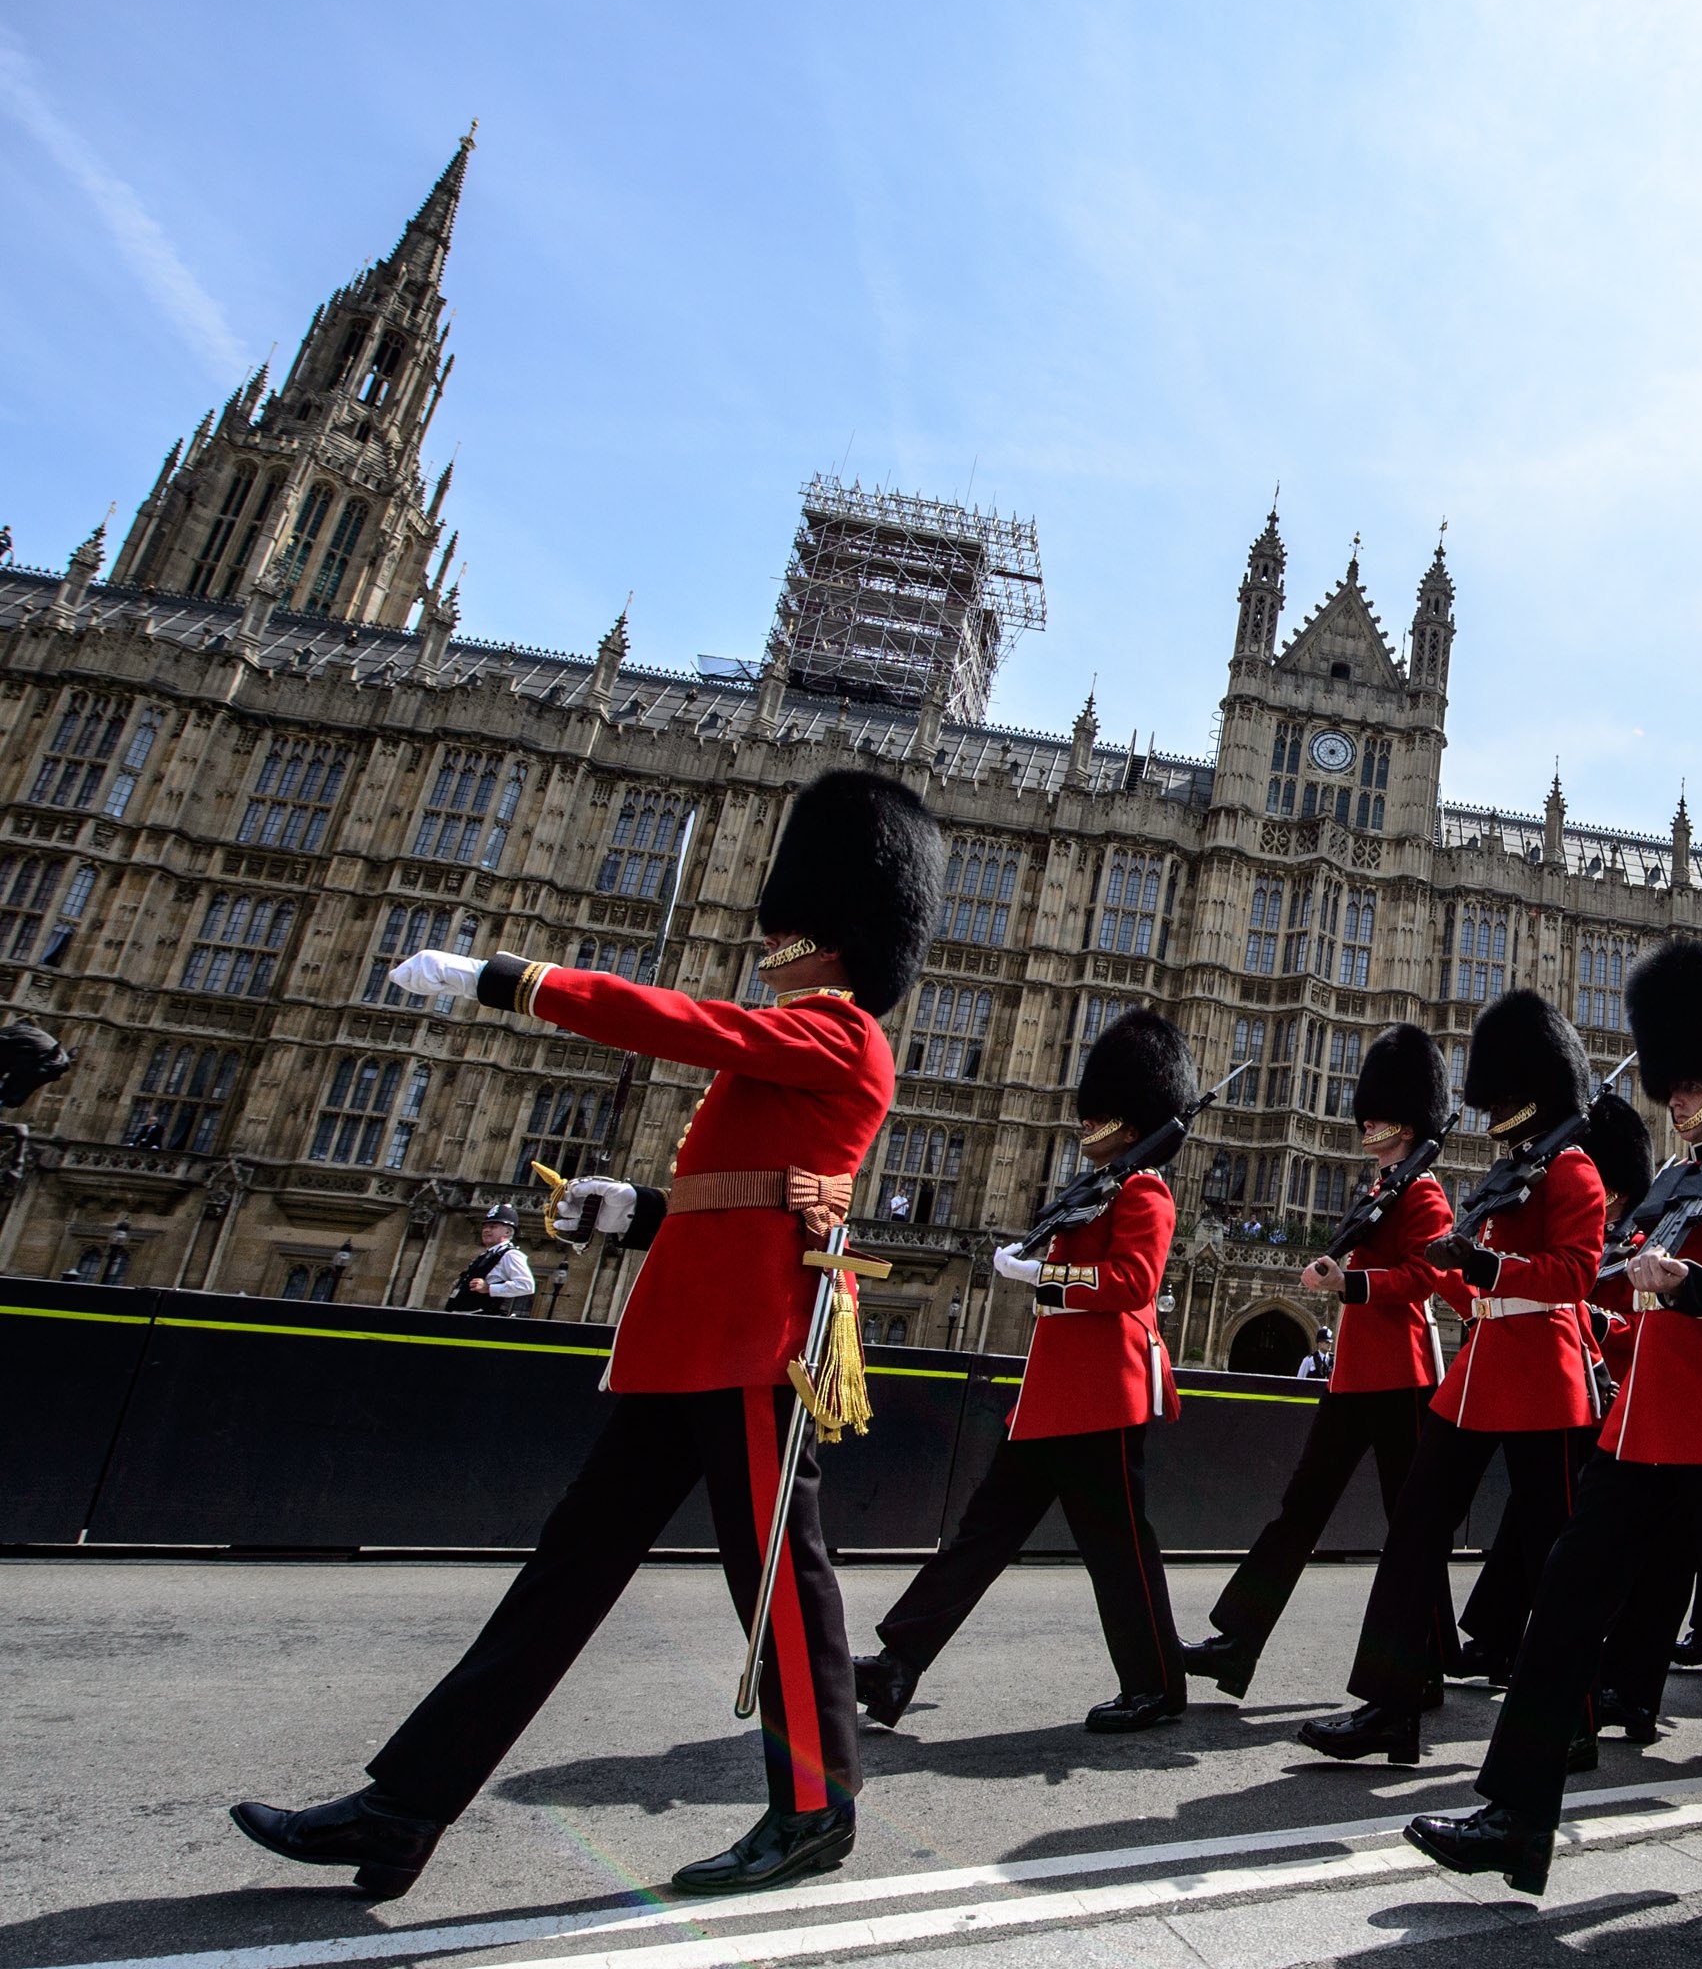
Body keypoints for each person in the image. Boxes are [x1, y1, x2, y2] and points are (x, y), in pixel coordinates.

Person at [229, 768, 936, 1897]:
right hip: (688, 1333)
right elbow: (744, 1190)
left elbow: (680, 1024)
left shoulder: (842, 1033)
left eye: (788, 931)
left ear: (837, 936)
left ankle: (816, 1808)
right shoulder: (796, 1036)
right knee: (564, 1576)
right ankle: (405, 1806)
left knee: (781, 1582)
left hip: (759, 1340)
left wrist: (510, 980)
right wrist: (637, 1209)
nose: (771, 947)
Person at [1405, 940, 1702, 1920]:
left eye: (1692, 1087)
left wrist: (1699, 1287)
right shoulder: (1677, 1184)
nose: (1676, 1103)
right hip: (1638, 1432)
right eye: (1670, 1088)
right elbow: (1604, 1272)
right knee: (1561, 1605)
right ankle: (1514, 1809)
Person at [855, 1008, 1196, 1735]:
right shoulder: (1098, 1186)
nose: (1087, 1127)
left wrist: (1047, 1276)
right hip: (1053, 1395)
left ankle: (1158, 1684)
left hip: (1103, 1391)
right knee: (982, 1535)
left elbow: (1133, 1282)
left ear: (1130, 1122)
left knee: (1119, 1549)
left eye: (1101, 1116)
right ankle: (897, 1663)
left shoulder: (1144, 1191)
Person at [1297, 990, 1606, 1764]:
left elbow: (1575, 1273)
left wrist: (1485, 1265)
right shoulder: (1507, 1177)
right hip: (1477, 1375)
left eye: (1506, 1094)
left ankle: (1576, 1714)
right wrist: (1454, 1268)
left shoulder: (1573, 1173)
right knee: (1414, 1532)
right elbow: (1477, 1284)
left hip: (1543, 1374)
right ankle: (1391, 1706)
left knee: (1552, 1558)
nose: (1494, 1108)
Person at [1186, 1024, 1455, 1701]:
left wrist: (1351, 1283)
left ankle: (1426, 1656)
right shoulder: (1379, 1188)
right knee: (1298, 1511)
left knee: (1412, 1525)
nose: (1368, 1124)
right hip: (1355, 1373)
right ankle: (1239, 1642)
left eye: (1380, 1115)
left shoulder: (1422, 1193)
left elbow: (1423, 1276)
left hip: (1403, 1375)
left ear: (1407, 1119)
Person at [444, 1204, 536, 1316]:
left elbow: (526, 1285)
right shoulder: (486, 1255)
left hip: (482, 1317)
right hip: (459, 1314)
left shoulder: (510, 1255)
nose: (486, 1230)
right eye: (485, 1227)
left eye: (493, 1227)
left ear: (507, 1232)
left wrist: (489, 1288)